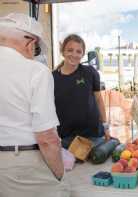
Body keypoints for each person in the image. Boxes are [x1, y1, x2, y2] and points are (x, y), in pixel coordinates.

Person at [0, 13, 69, 197]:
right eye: (37, 48)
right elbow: (47, 138)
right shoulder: (36, 71)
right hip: (22, 164)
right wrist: (59, 175)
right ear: (30, 43)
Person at [53, 34, 110, 149]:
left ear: (83, 54)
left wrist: (106, 126)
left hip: (94, 135)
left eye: (78, 51)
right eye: (70, 50)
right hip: (67, 138)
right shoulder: (52, 78)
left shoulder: (90, 72)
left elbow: (99, 99)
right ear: (62, 51)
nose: (74, 54)